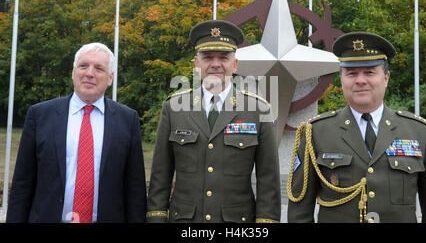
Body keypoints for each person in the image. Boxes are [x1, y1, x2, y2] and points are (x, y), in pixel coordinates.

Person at [287, 32, 426, 223]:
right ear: (341, 78)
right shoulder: (315, 132)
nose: (360, 80)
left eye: (370, 72)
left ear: (386, 78)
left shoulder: (420, 132)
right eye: (352, 73)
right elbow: (299, 213)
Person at [146, 20, 281, 223]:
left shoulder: (257, 109)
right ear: (196, 64)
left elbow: (268, 179)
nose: (215, 64)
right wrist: (156, 218)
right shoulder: (174, 108)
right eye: (208, 57)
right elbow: (160, 175)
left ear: (234, 65)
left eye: (223, 58)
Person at [6, 42, 147, 223]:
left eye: (99, 68)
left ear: (110, 78)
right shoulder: (40, 115)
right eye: (83, 66)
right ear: (73, 72)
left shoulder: (127, 119)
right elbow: (22, 183)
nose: (89, 73)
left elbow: (135, 188)